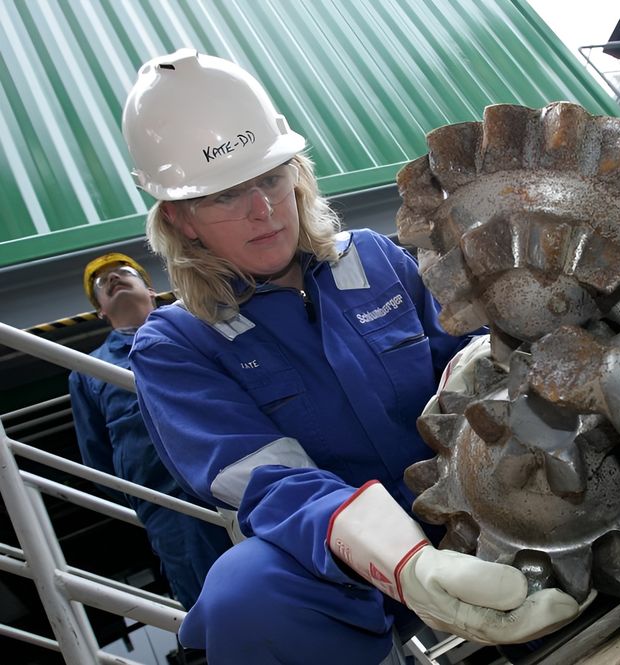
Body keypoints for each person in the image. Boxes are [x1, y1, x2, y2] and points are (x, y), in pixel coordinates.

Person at [120, 49, 581, 664]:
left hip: (468, 501)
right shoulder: (177, 344)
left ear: (296, 174)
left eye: (269, 178)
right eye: (226, 196)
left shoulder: (373, 258)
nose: (262, 209)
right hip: (341, 556)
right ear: (180, 218)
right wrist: (405, 562)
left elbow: (469, 367)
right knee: (243, 594)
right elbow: (268, 481)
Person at [68, 253, 233, 610]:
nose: (113, 278)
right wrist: (147, 498)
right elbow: (97, 459)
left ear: (153, 290)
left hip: (234, 474)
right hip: (168, 503)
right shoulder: (87, 370)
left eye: (123, 272)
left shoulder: (197, 329)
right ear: (100, 311)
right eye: (102, 283)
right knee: (213, 601)